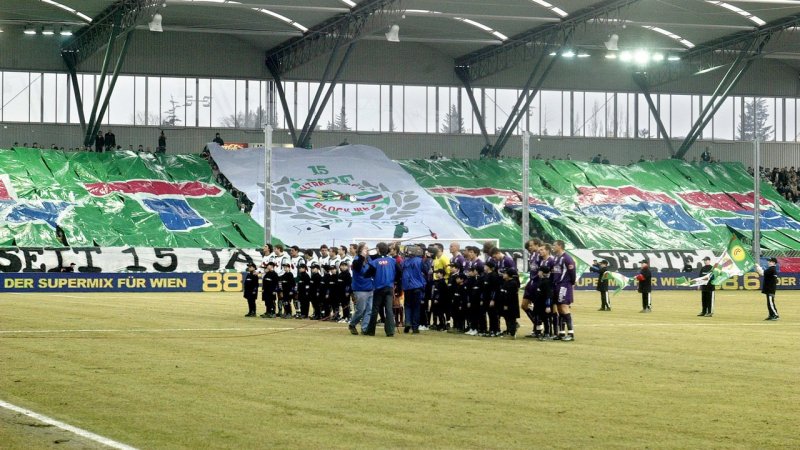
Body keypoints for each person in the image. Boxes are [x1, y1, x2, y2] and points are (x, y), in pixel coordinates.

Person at [364, 242, 399, 337]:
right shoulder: (393, 261)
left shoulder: (375, 262)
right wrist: (394, 281)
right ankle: (390, 331)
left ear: (378, 250)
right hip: (389, 287)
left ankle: (370, 331)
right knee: (389, 309)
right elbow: (399, 272)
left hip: (379, 288)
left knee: (375, 309)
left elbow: (367, 274)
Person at [551, 240, 576, 341]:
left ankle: (571, 333)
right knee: (559, 308)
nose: (553, 247)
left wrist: (571, 283)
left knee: (564, 307)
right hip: (557, 285)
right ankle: (561, 333)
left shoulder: (567, 258)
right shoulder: (557, 258)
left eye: (554, 245)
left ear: (560, 246)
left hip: (564, 285)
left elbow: (572, 273)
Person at [348, 243, 374, 335]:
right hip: (360, 288)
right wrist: (362, 256)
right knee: (361, 310)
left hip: (370, 288)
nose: (367, 250)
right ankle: (352, 324)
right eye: (365, 249)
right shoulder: (356, 260)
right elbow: (358, 269)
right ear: (360, 250)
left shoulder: (369, 259)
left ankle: (365, 328)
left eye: (368, 248)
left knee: (369, 310)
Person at [401, 245, 426, 334]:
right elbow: (426, 270)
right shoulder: (420, 261)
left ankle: (407, 322)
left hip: (407, 287)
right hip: (417, 286)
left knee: (407, 306)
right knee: (416, 307)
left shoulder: (404, 262)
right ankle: (415, 327)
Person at [499, 268, 521, 339]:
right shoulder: (505, 282)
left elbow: (510, 296)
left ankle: (512, 334)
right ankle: (509, 331)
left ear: (509, 275)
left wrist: (506, 304)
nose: (503, 275)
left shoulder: (513, 283)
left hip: (511, 305)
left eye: (505, 274)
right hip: (505, 304)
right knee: (507, 318)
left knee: (511, 319)